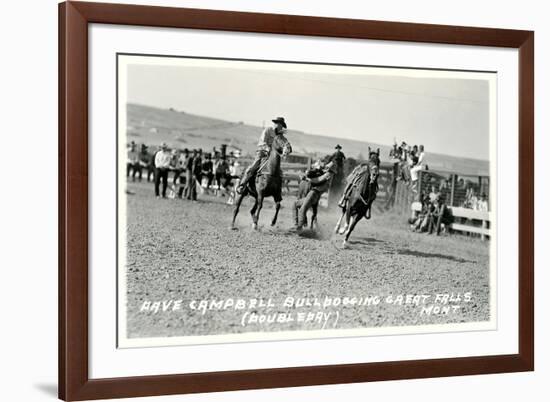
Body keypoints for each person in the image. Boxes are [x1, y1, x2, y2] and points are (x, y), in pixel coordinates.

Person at [236, 117, 291, 194]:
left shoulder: (280, 134)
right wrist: (268, 149)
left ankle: (277, 190)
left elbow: (285, 142)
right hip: (262, 152)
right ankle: (242, 185)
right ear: (277, 124)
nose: (281, 127)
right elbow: (262, 142)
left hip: (273, 155)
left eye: (282, 126)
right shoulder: (268, 130)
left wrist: (286, 148)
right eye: (280, 125)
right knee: (254, 166)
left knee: (278, 171)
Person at [294, 161, 336, 230]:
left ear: (329, 169)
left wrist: (306, 178)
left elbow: (317, 180)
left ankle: (299, 227)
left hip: (313, 193)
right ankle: (298, 224)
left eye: (327, 167)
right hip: (316, 195)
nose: (326, 168)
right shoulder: (330, 176)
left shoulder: (328, 174)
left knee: (302, 209)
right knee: (296, 204)